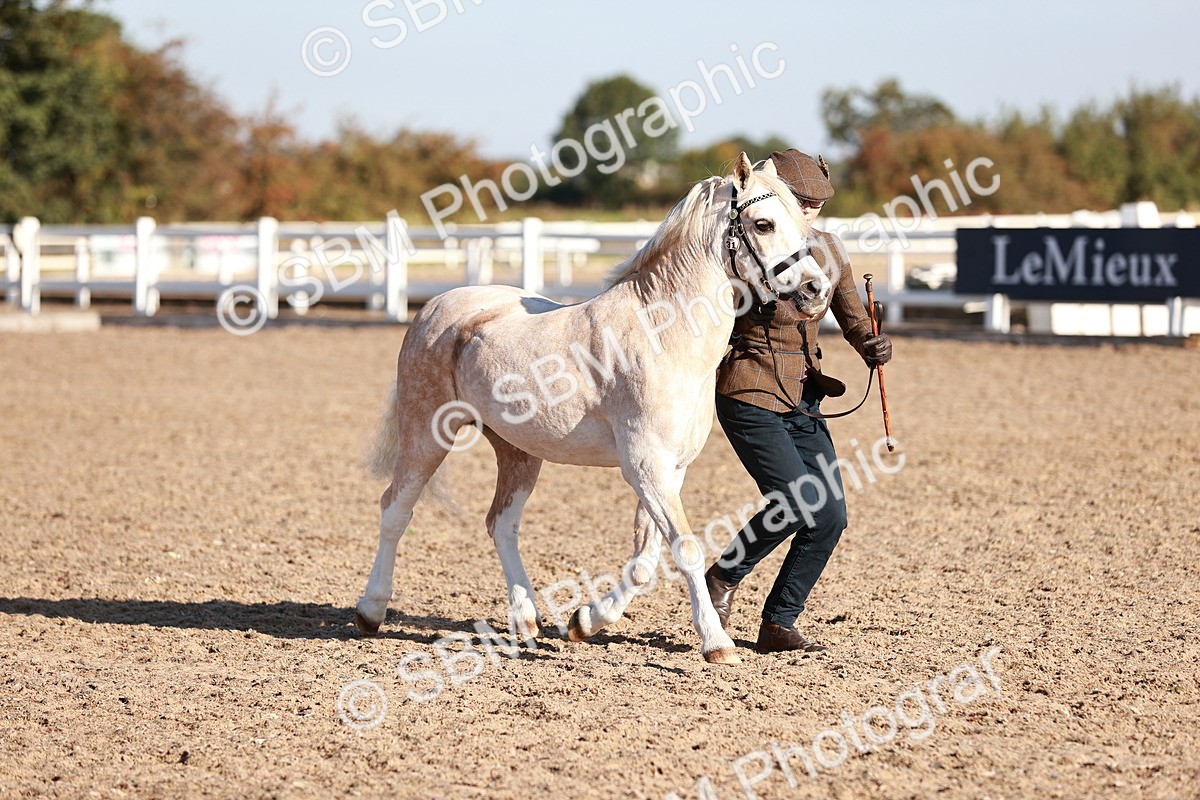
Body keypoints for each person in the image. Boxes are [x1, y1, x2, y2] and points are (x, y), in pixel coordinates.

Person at [705, 149, 893, 654]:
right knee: (793, 501)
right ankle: (723, 577)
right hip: (749, 389)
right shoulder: (750, 241)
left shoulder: (829, 249)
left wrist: (872, 343)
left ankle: (778, 623)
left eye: (817, 202)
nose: (810, 208)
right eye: (801, 200)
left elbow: (853, 317)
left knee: (829, 517)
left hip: (805, 398)